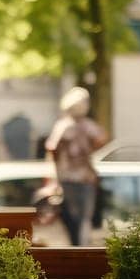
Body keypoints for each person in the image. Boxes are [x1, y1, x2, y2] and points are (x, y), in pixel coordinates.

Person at [44, 86, 108, 246]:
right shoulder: (86, 125)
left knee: (75, 218)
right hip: (83, 178)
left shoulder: (64, 125)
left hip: (69, 177)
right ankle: (80, 245)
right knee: (83, 218)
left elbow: (52, 148)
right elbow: (101, 139)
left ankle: (78, 245)